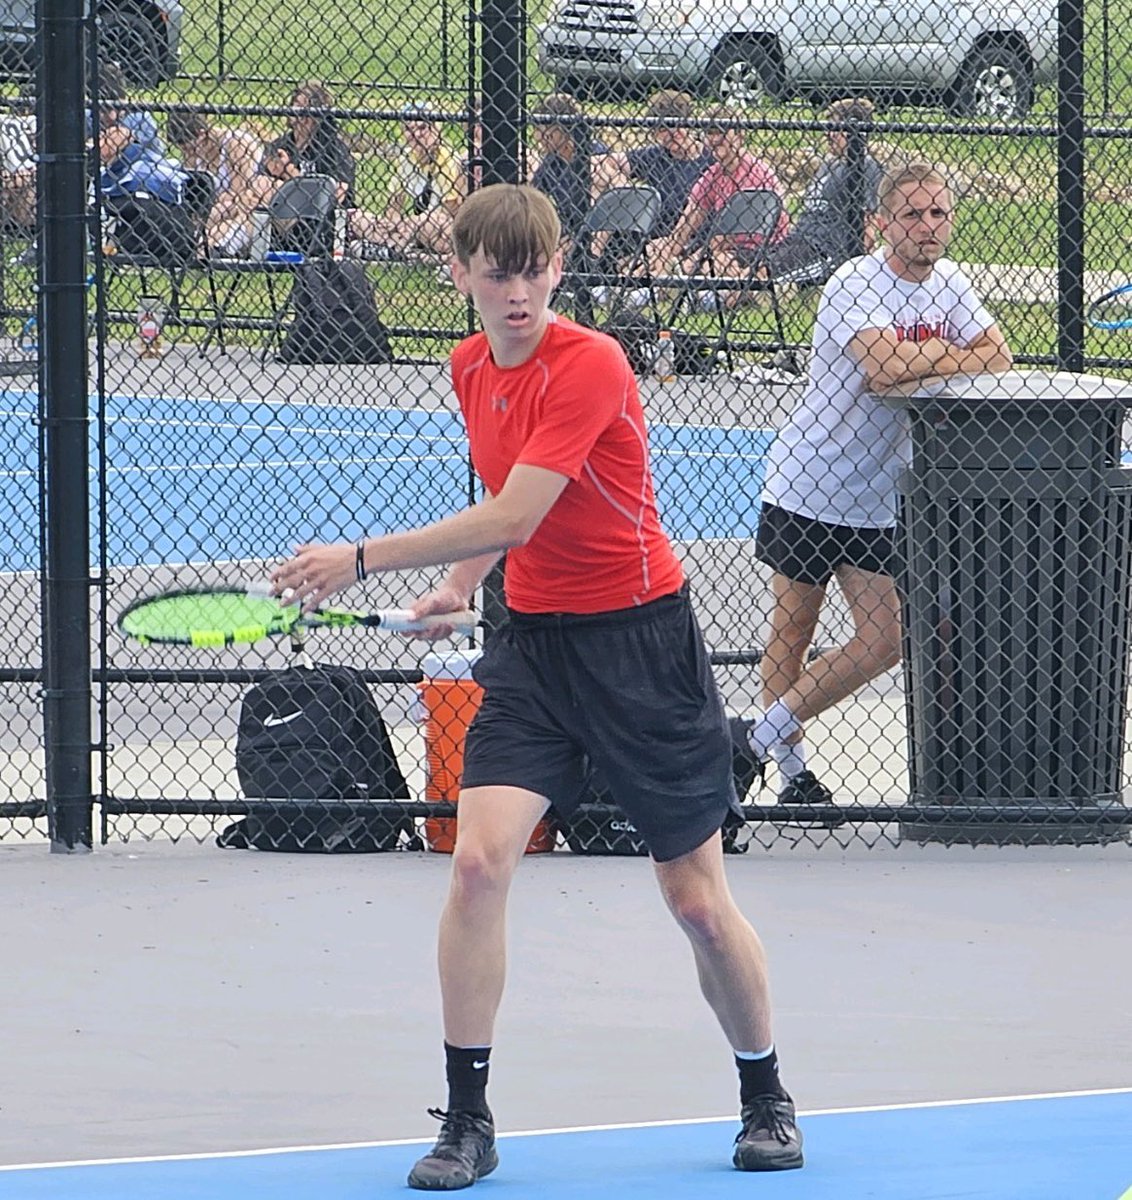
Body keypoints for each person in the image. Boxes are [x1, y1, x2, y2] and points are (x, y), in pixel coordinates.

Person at [270, 183, 804, 1188]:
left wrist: (360, 556)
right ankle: (466, 1120)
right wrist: (457, 587)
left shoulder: (590, 362)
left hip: (640, 647)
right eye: (496, 270)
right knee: (476, 866)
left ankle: (764, 1091)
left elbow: (518, 511)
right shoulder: (468, 365)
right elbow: (503, 499)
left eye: (533, 268)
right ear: (461, 272)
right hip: (531, 653)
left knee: (693, 900)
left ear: (556, 268)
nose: (517, 290)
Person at [745, 161, 1013, 806]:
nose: (928, 226)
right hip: (810, 482)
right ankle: (790, 772)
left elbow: (999, 354)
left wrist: (914, 363)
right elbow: (881, 367)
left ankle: (751, 741)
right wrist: (946, 359)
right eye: (913, 214)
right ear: (882, 223)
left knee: (887, 639)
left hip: (877, 497)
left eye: (939, 213)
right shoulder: (853, 283)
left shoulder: (950, 283)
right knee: (793, 628)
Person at [654, 108, 790, 307]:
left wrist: (694, 260)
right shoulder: (714, 174)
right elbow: (688, 221)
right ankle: (646, 290)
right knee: (657, 249)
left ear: (740, 136)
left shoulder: (756, 173)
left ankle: (700, 300)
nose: (715, 139)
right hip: (723, 248)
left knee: (717, 261)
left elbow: (732, 234)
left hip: (760, 248)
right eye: (710, 132)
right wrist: (666, 252)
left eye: (721, 132)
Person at [760, 98, 885, 290]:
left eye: (835, 129)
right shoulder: (829, 164)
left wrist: (860, 272)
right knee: (750, 265)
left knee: (764, 276)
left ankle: (709, 301)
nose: (828, 134)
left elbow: (868, 224)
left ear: (854, 131)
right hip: (798, 239)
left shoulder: (863, 166)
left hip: (825, 250)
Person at [348, 101, 461, 259]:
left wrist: (414, 222)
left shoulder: (447, 159)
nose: (416, 135)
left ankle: (392, 249)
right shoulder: (405, 158)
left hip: (443, 226)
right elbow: (394, 205)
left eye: (423, 128)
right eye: (409, 129)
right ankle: (400, 250)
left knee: (430, 226)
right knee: (357, 219)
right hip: (411, 228)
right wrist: (394, 221)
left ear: (436, 129)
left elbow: (451, 210)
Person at [166, 110, 263, 257]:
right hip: (211, 215)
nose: (188, 153)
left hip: (247, 212)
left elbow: (240, 195)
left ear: (202, 134)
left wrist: (211, 212)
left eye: (189, 148)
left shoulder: (236, 143)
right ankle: (199, 249)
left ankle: (210, 250)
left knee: (229, 212)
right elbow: (195, 198)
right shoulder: (193, 155)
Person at [264, 80, 356, 206]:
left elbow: (336, 196)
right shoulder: (281, 145)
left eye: (306, 107)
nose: (299, 112)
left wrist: (289, 172)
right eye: (296, 104)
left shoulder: (332, 148)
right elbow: (262, 184)